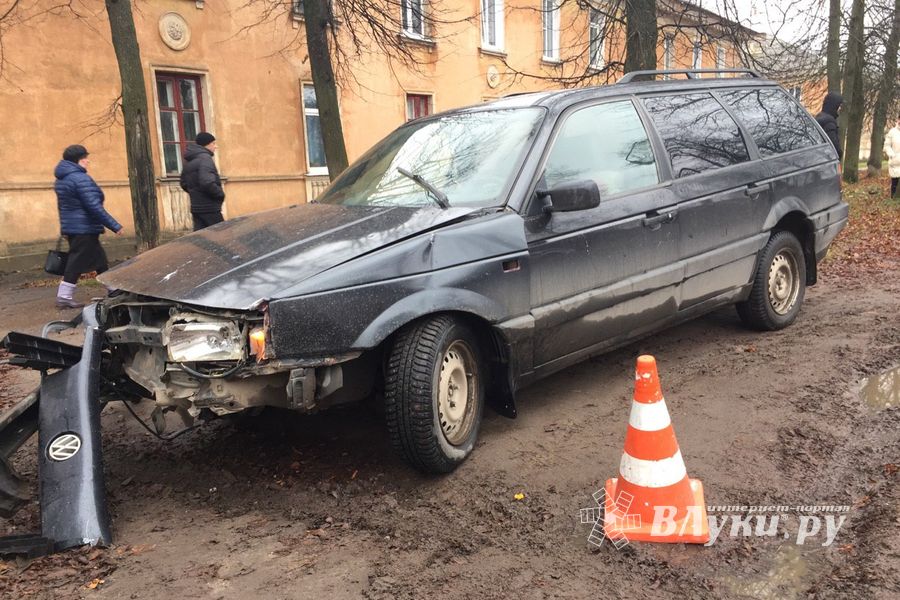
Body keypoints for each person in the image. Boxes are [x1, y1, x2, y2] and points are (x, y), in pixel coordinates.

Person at [54, 144, 123, 310]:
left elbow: (65, 206)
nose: (88, 161)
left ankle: (113, 289)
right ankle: (64, 296)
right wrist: (114, 225)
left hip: (75, 227)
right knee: (76, 262)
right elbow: (94, 206)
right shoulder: (80, 179)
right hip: (83, 227)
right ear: (78, 160)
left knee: (99, 260)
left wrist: (65, 228)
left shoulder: (62, 178)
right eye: (85, 158)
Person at [180, 132, 225, 230]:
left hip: (196, 207)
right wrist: (220, 194)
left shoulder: (190, 159)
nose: (215, 146)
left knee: (201, 241)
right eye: (213, 143)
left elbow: (183, 183)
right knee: (222, 237)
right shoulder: (205, 158)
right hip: (210, 207)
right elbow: (207, 182)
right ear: (207, 144)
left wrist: (195, 193)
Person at [815, 92, 843, 160]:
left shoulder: (819, 118)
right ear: (834, 106)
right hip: (827, 161)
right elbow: (834, 147)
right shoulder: (829, 122)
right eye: (839, 106)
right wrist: (840, 154)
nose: (840, 109)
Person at [884, 114, 900, 198]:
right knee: (895, 184)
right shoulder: (892, 132)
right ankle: (893, 198)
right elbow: (887, 145)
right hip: (895, 163)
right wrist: (892, 154)